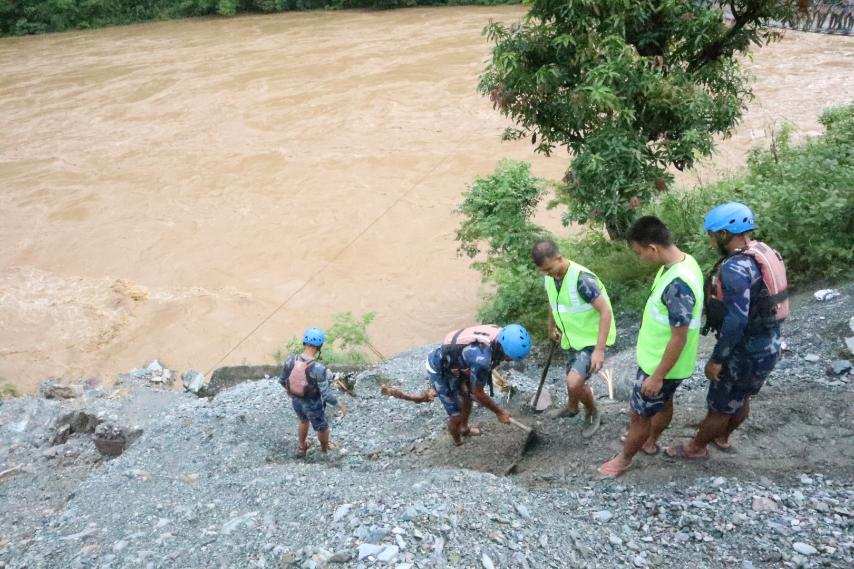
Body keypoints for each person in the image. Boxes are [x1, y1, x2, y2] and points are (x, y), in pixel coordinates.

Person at [667, 202, 787, 459]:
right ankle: (721, 436)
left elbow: (736, 320)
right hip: (769, 343)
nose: (711, 241)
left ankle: (695, 448)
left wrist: (717, 359)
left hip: (745, 351)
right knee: (741, 397)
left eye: (712, 235)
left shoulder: (734, 268)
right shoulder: (762, 252)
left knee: (720, 407)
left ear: (724, 234)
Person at [598, 216, 704, 477]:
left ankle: (624, 459)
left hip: (660, 367)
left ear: (653, 248)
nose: (640, 258)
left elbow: (678, 337)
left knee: (638, 416)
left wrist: (657, 376)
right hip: (666, 364)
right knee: (664, 403)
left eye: (639, 252)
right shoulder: (684, 262)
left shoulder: (678, 285)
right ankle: (650, 441)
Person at [382, 324, 532, 446]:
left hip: (461, 365)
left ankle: (464, 428)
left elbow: (474, 389)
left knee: (466, 398)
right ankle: (457, 440)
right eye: (508, 357)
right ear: (502, 348)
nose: (509, 360)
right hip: (439, 368)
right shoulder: (481, 360)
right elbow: (478, 392)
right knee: (456, 414)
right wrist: (499, 412)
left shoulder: (498, 333)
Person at [531, 239, 616, 437]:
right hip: (571, 338)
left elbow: (605, 311)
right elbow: (554, 302)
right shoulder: (551, 277)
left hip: (591, 341)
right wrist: (551, 326)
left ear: (559, 258)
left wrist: (599, 350)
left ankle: (593, 411)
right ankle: (572, 407)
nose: (548, 274)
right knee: (571, 376)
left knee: (574, 382)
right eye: (544, 271)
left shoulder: (582, 280)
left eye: (550, 269)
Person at [280, 327, 340, 458]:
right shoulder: (319, 368)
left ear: (304, 343)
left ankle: (302, 447)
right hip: (313, 404)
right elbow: (326, 395)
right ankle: (324, 450)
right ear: (319, 347)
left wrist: (291, 393)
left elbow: (282, 380)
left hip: (296, 400)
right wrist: (340, 405)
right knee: (322, 427)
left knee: (303, 420)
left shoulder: (290, 360)